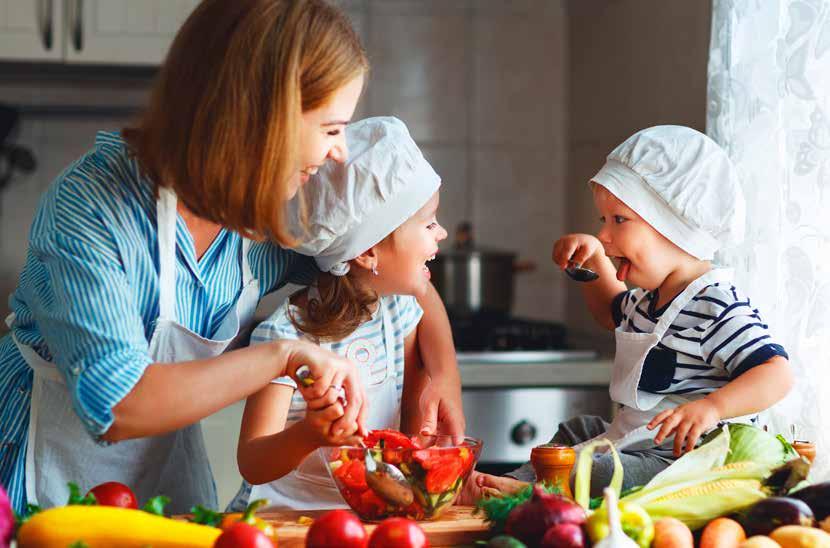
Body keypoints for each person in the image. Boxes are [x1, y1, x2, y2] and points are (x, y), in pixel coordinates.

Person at [0, 0, 462, 515]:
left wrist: (441, 374)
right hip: (37, 485)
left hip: (165, 483)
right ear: (263, 117)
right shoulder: (90, 208)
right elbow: (118, 403)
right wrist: (281, 356)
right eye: (331, 129)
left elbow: (384, 266)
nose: (337, 152)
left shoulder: (261, 220)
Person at [476, 125, 794, 497]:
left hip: (684, 460)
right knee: (576, 431)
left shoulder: (717, 304)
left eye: (619, 220)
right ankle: (515, 483)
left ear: (673, 226)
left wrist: (712, 407)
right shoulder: (649, 299)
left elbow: (777, 373)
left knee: (601, 470)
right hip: (638, 440)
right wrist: (594, 259)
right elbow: (610, 310)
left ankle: (527, 494)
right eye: (602, 221)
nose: (605, 235)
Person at [228, 116, 448, 511]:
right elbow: (252, 460)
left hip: (364, 518)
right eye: (429, 222)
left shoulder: (398, 311)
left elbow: (412, 411)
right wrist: (310, 435)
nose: (441, 233)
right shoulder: (286, 337)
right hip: (283, 524)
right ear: (367, 253)